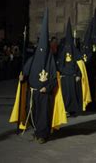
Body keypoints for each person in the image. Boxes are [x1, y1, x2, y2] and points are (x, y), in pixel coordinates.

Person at [9, 9, 67, 143]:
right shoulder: (32, 60)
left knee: (44, 115)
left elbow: (54, 80)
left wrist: (47, 88)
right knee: (34, 113)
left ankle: (43, 135)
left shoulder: (51, 62)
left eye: (44, 50)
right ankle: (36, 131)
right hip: (33, 92)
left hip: (45, 93)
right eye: (40, 50)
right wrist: (22, 78)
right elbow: (25, 74)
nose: (42, 52)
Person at [56, 19, 83, 116]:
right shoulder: (62, 52)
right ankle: (65, 109)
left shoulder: (75, 52)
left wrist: (78, 74)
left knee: (73, 94)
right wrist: (63, 73)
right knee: (65, 94)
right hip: (65, 77)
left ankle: (73, 109)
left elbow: (79, 64)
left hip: (73, 76)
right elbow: (59, 64)